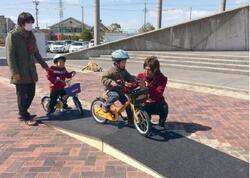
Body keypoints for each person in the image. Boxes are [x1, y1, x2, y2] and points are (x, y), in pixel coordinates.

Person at [6, 12, 49, 126]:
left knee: (31, 93)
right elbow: (10, 56)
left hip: (30, 71)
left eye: (31, 22)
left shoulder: (31, 35)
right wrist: (14, 72)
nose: (30, 24)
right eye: (28, 22)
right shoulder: (13, 35)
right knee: (22, 95)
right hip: (19, 72)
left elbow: (36, 53)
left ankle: (23, 112)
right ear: (21, 23)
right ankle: (25, 115)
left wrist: (45, 66)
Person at [101, 49, 138, 127]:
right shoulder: (111, 70)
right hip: (111, 90)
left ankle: (130, 121)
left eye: (125, 62)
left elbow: (129, 77)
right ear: (117, 62)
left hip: (120, 91)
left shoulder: (123, 70)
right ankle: (105, 105)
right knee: (115, 96)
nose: (124, 64)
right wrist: (111, 82)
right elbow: (104, 78)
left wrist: (136, 79)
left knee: (128, 104)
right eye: (123, 62)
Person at [137, 56, 168, 128]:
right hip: (144, 103)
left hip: (157, 103)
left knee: (164, 107)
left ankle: (162, 121)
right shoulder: (140, 76)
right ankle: (146, 119)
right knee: (142, 122)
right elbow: (131, 87)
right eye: (145, 69)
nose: (146, 72)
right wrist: (125, 85)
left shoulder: (162, 79)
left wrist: (146, 88)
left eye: (149, 70)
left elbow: (158, 95)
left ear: (155, 69)